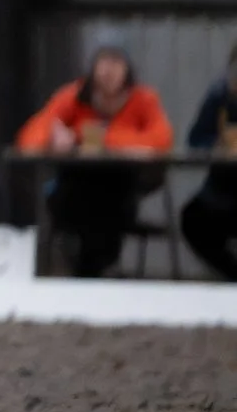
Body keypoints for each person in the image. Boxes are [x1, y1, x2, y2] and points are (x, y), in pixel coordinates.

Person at [15, 45, 174, 277]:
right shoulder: (73, 96)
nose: (108, 71)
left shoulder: (143, 99)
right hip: (77, 189)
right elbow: (30, 138)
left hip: (119, 190)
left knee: (106, 212)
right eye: (103, 62)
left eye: (116, 63)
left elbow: (161, 140)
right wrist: (53, 138)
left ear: (127, 70)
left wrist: (95, 136)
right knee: (72, 204)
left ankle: (92, 272)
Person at [178, 41, 237, 281]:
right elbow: (195, 139)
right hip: (221, 192)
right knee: (193, 219)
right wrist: (217, 146)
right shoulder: (220, 95)